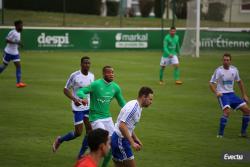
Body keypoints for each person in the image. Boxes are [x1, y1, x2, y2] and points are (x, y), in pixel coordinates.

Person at [77, 65, 126, 167]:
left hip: (107, 118)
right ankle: (88, 160)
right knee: (104, 141)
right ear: (104, 73)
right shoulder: (96, 84)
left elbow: (122, 103)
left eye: (112, 72)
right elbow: (80, 91)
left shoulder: (115, 87)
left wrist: (130, 108)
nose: (111, 74)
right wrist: (84, 97)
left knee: (113, 144)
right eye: (109, 72)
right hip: (95, 118)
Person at [52, 56, 94, 156]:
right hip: (77, 107)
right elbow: (65, 89)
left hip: (88, 107)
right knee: (78, 132)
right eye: (85, 63)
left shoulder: (92, 76)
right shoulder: (75, 75)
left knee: (90, 130)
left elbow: (91, 91)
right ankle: (60, 139)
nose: (87, 65)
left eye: (88, 63)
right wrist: (74, 99)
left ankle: (81, 154)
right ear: (81, 64)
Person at [209, 53, 250, 138]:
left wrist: (244, 95)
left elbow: (240, 82)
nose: (226, 62)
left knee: (247, 110)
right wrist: (216, 92)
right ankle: (220, 134)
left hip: (232, 94)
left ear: (230, 61)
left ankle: (243, 133)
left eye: (227, 60)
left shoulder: (234, 70)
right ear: (222, 61)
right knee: (227, 112)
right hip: (223, 95)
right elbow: (211, 83)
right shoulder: (219, 70)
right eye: (224, 60)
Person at [111, 86, 153, 167]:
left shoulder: (139, 107)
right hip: (120, 140)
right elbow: (122, 125)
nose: (151, 102)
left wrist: (135, 138)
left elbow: (128, 125)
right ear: (144, 97)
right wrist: (132, 143)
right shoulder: (133, 108)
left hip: (119, 139)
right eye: (150, 99)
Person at [0, 20, 26, 88]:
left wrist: (20, 43)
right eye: (21, 25)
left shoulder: (19, 32)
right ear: (17, 26)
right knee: (4, 66)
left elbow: (17, 40)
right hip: (8, 52)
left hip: (15, 52)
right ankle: (19, 82)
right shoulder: (12, 32)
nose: (22, 27)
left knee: (18, 66)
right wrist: (16, 43)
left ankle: (18, 83)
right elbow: (6, 40)